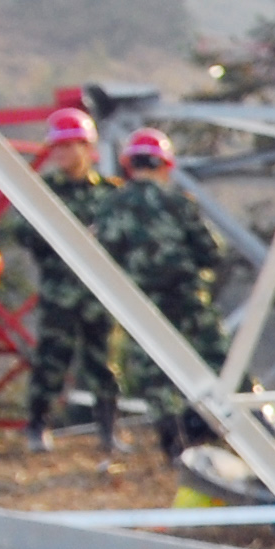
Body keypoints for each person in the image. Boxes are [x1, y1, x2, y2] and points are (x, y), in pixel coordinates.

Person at [90, 127, 226, 452]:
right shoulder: (178, 203)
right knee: (215, 359)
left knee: (155, 371)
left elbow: (101, 255)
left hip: (141, 303)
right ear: (165, 166)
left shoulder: (112, 206)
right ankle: (247, 427)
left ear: (129, 165)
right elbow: (211, 251)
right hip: (188, 299)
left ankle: (171, 439)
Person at [21, 104, 111, 450]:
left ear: (86, 148)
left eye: (70, 145)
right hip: (59, 290)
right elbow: (22, 232)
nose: (63, 153)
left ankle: (108, 431)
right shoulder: (43, 192)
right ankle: (36, 427)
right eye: (58, 146)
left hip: (98, 292)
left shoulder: (106, 192)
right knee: (51, 360)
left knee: (102, 361)